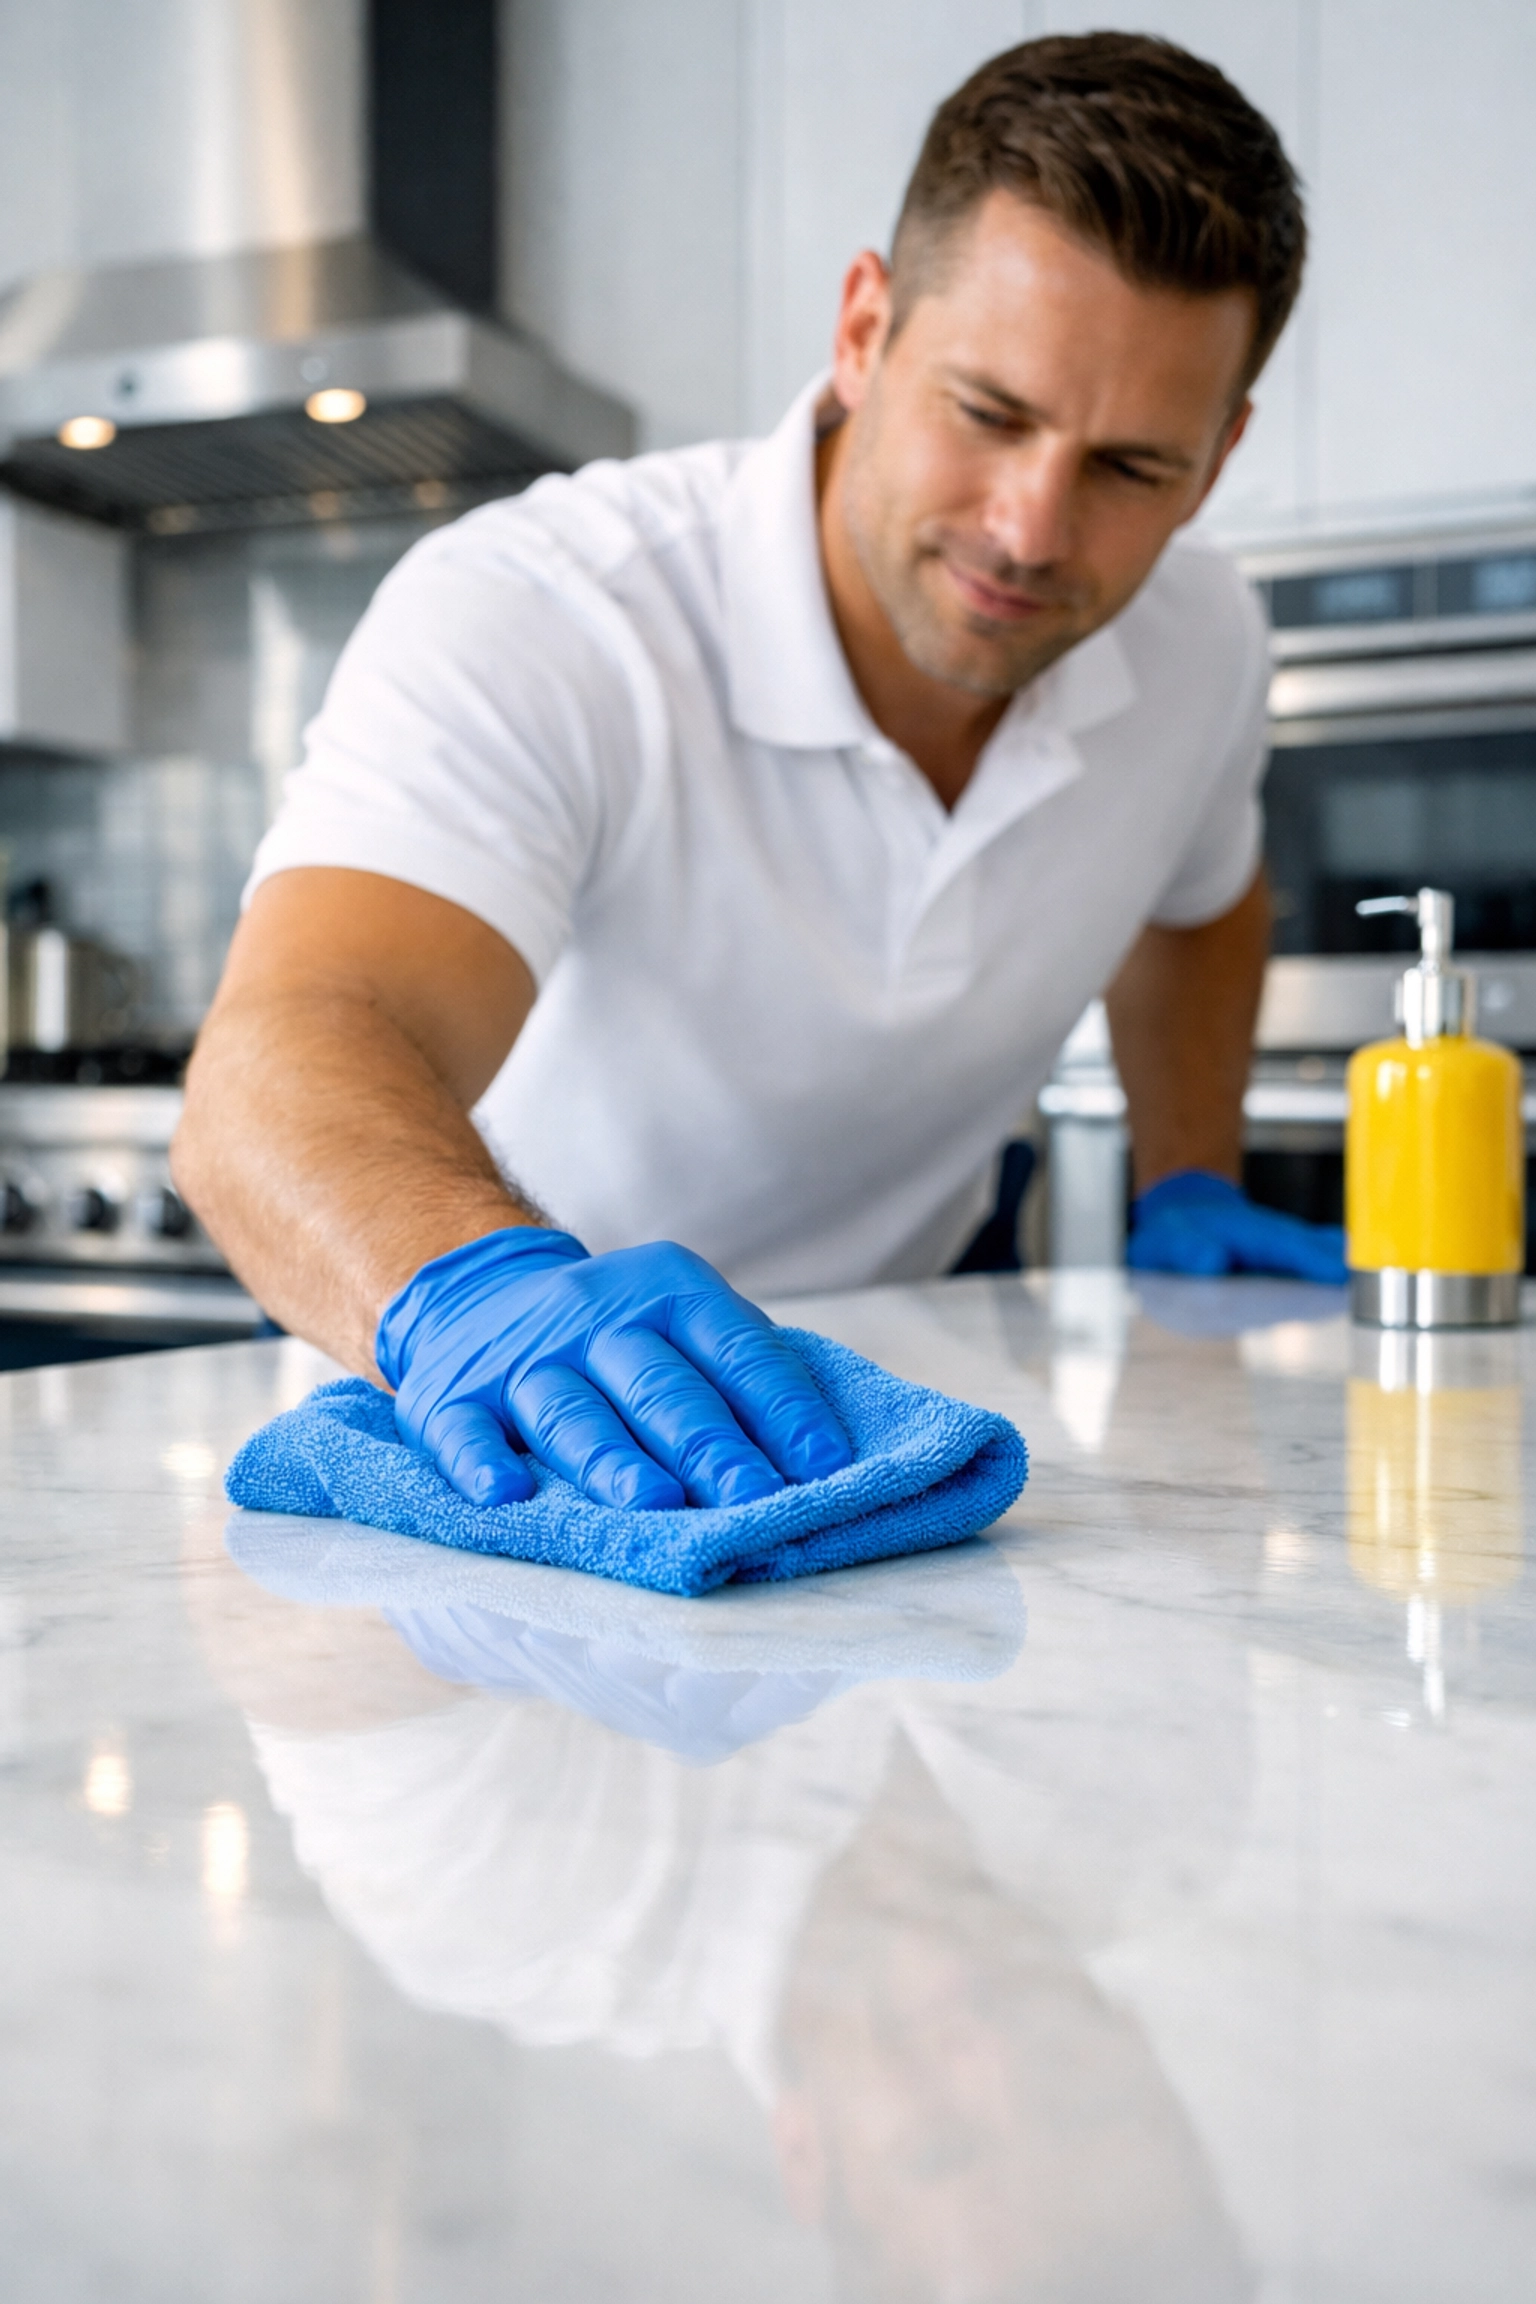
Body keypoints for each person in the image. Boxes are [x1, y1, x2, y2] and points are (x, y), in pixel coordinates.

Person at [174, 32, 1345, 1517]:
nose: (1032, 529)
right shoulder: (556, 610)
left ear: (1222, 455)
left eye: (1132, 469)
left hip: (885, 1434)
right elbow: (280, 1062)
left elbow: (1203, 901)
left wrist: (1192, 1173)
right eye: (989, 414)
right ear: (864, 330)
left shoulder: (1201, 644)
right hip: (496, 1450)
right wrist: (475, 1294)